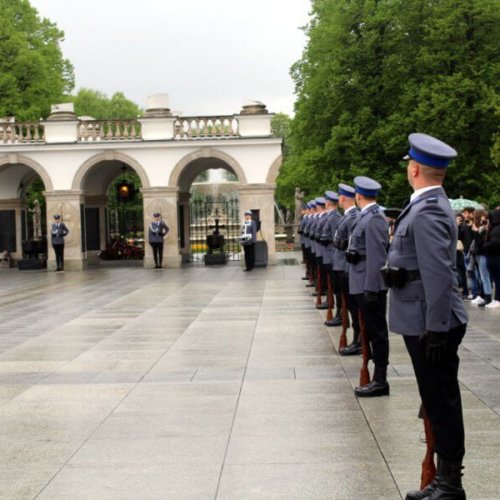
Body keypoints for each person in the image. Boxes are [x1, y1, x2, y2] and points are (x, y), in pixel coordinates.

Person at [386, 133, 468, 500]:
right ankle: (442, 480)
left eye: (408, 164)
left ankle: (450, 485)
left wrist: (436, 330)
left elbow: (438, 275)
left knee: (442, 402)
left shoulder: (430, 207)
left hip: (430, 322)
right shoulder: (425, 204)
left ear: (414, 168)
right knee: (435, 400)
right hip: (423, 317)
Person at [347, 176, 389, 397]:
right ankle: (376, 377)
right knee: (370, 331)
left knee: (377, 333)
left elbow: (377, 257)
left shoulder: (374, 218)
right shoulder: (366, 217)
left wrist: (372, 288)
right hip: (361, 283)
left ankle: (380, 379)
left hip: (368, 285)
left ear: (358, 196)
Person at [333, 183, 361, 352]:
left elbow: (352, 244)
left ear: (343, 198)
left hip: (347, 267)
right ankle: (357, 338)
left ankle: (358, 339)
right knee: (350, 305)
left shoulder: (352, 217)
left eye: (339, 197)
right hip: (343, 266)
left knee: (354, 306)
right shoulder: (348, 216)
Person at [469, 209, 492, 306]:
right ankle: (484, 295)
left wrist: (478, 231)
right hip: (478, 254)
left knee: (484, 276)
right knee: (481, 276)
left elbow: (481, 243)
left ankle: (488, 297)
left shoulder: (485, 229)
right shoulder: (478, 228)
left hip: (483, 254)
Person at [484, 208, 500, 308]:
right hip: (494, 256)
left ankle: (498, 299)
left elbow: (495, 243)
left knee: (497, 279)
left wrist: (485, 245)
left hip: (495, 256)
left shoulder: (496, 229)